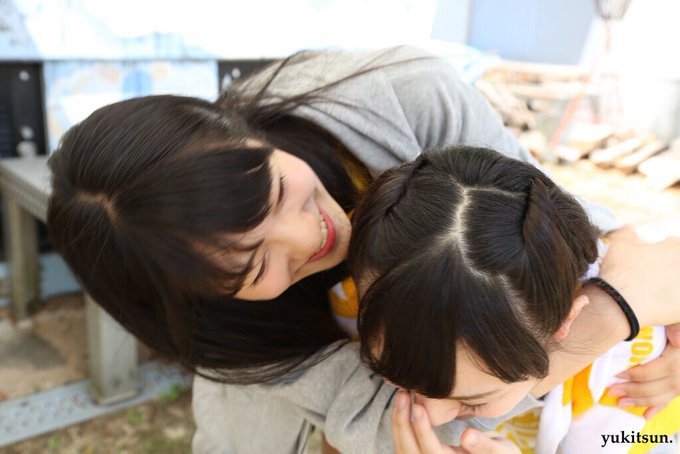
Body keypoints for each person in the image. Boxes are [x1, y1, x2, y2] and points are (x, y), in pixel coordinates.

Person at [45, 46, 680, 453]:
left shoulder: (404, 96)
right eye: (256, 266)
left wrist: (632, 303)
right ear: (201, 299)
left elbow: (556, 229)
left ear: (239, 132)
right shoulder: (232, 339)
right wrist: (606, 319)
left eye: (276, 193)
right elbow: (393, 426)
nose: (312, 237)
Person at [349, 145, 680, 453]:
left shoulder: (632, 375)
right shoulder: (374, 281)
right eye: (396, 379)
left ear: (566, 321)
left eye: (474, 402)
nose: (431, 417)